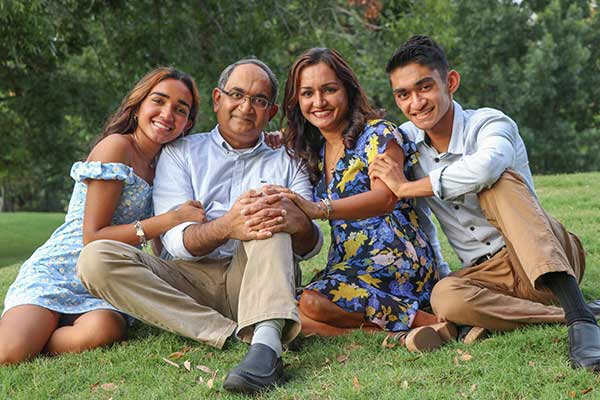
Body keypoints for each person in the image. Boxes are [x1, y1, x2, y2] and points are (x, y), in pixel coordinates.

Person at [76, 58, 322, 393]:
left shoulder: (288, 158)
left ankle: (265, 350)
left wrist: (299, 225)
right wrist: (227, 226)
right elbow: (175, 242)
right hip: (187, 279)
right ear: (218, 99)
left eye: (259, 100)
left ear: (271, 111)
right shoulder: (181, 153)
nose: (246, 107)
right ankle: (228, 331)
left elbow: (310, 246)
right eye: (237, 94)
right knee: (96, 258)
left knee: (267, 213)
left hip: (255, 274)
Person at [369, 35, 600, 371]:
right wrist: (281, 139)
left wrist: (407, 187)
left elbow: (487, 167)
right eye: (403, 94)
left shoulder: (490, 123)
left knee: (497, 183)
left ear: (451, 82)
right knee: (444, 296)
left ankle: (581, 323)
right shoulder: (406, 143)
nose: (416, 102)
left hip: (543, 253)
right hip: (487, 275)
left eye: (424, 87)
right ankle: (576, 311)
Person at [0, 67, 205, 365]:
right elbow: (92, 237)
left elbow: (162, 244)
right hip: (60, 269)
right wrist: (170, 219)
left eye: (180, 109)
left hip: (106, 281)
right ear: (138, 106)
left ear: (187, 123)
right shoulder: (116, 148)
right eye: (158, 101)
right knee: (9, 354)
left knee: (103, 330)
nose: (167, 113)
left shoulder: (169, 164)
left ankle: (41, 333)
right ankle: (31, 327)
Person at [268, 47, 455, 351]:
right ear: (296, 100)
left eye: (329, 90)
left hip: (395, 257)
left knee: (311, 304)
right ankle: (400, 335)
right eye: (307, 93)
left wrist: (320, 209)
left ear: (348, 90)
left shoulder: (378, 134)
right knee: (291, 313)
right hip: (349, 263)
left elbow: (385, 198)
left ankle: (422, 319)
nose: (319, 102)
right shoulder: (312, 151)